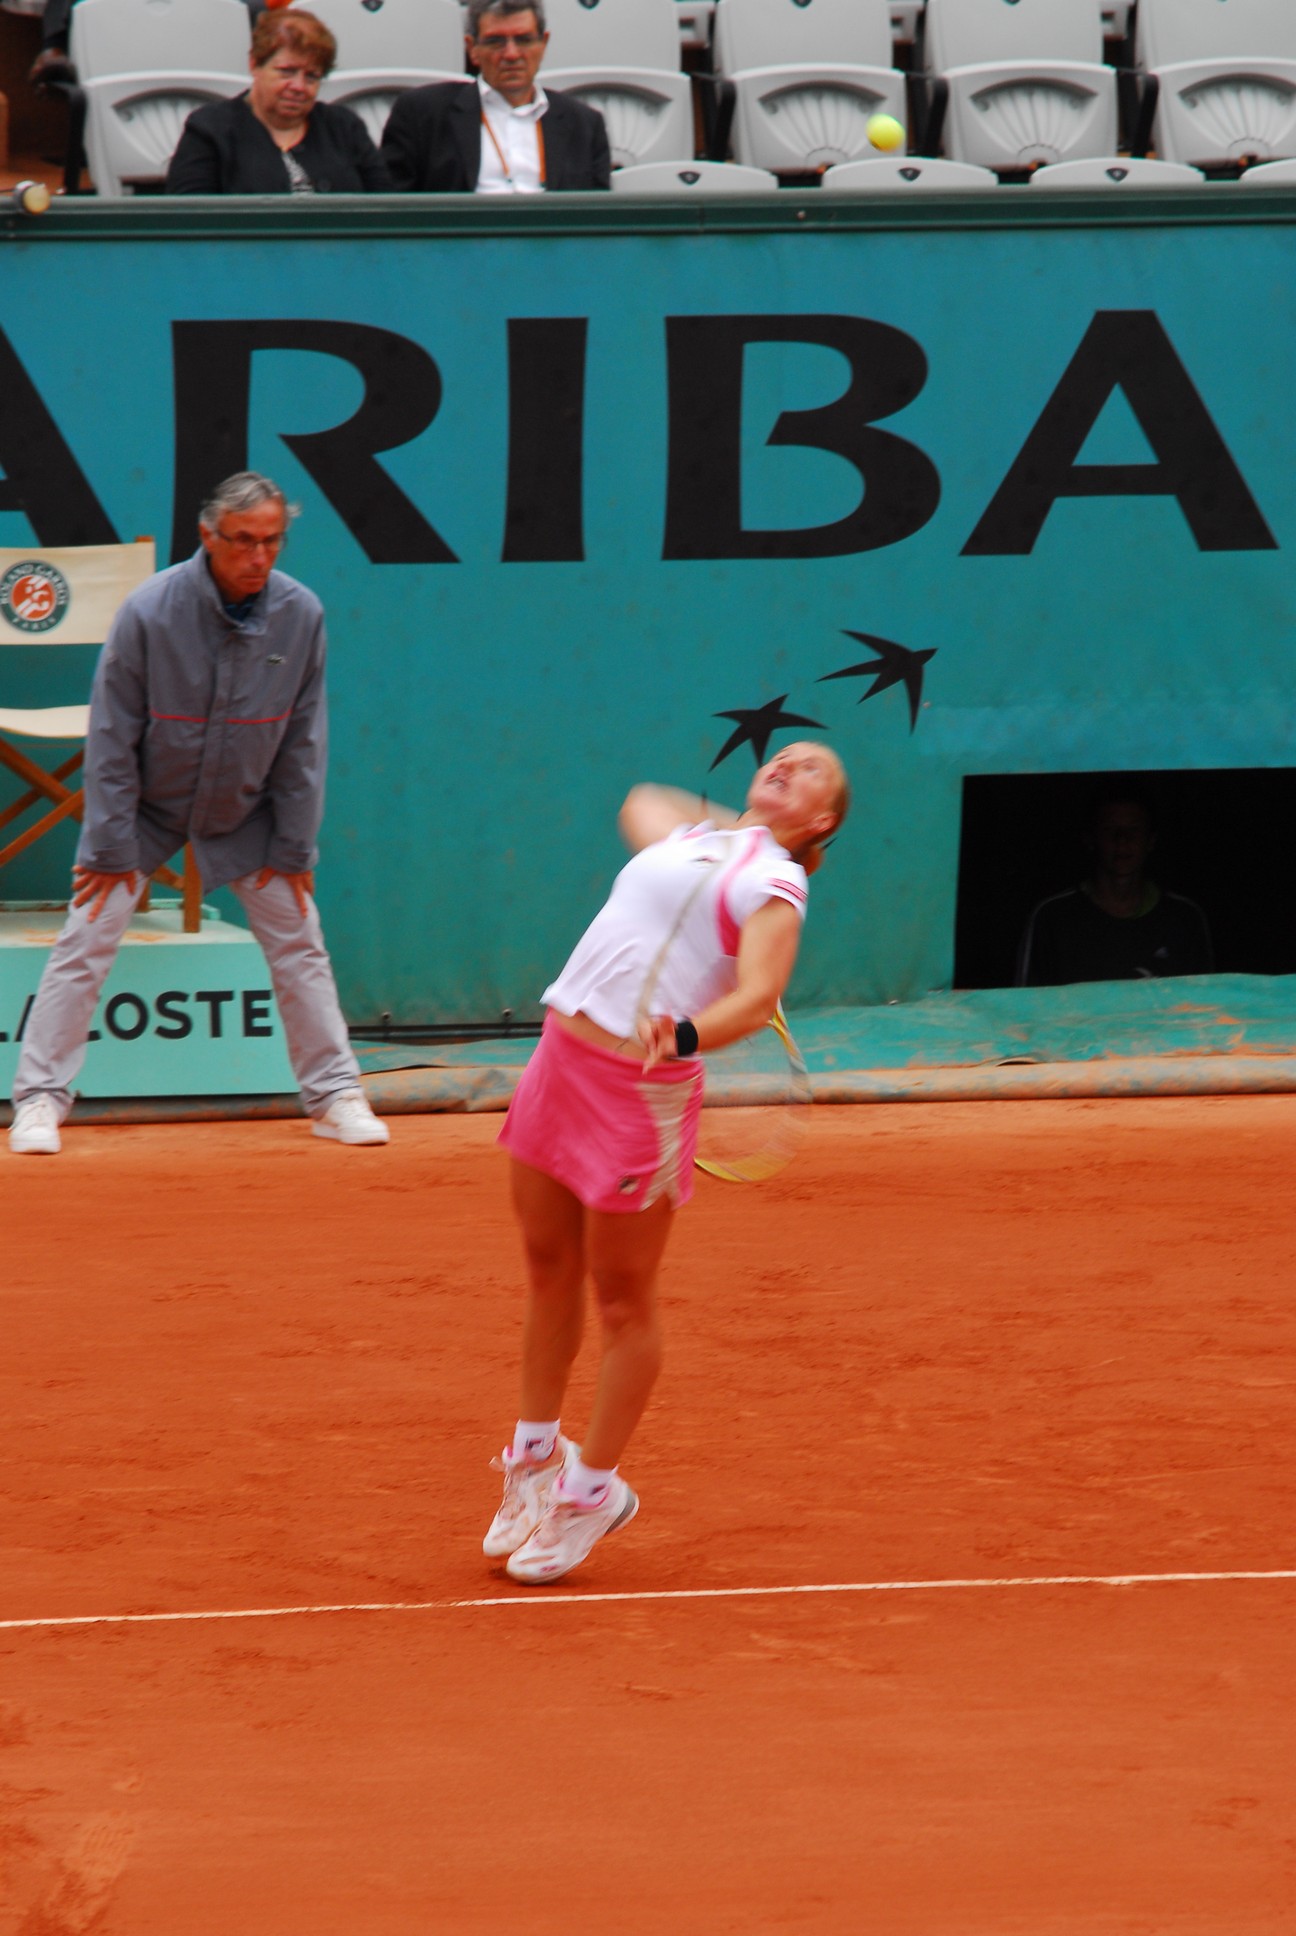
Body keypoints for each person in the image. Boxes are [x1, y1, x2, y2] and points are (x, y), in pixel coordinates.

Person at [483, 742, 849, 1585]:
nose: (789, 762)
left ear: (823, 820)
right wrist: (754, 825)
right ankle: (534, 1462)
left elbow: (756, 998)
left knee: (620, 1297)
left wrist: (684, 1034)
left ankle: (591, 1492)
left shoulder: (777, 887)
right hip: (559, 1060)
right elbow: (642, 796)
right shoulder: (694, 840)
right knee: (546, 1266)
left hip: (635, 1092)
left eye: (812, 770)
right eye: (782, 757)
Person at [8, 471, 388, 1156]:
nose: (259, 557)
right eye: (243, 541)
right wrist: (107, 845)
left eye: (272, 541)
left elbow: (304, 740)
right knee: (85, 941)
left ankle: (335, 1095)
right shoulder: (149, 611)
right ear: (208, 536)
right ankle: (38, 1099)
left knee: (301, 943)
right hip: (147, 812)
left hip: (247, 814)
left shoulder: (302, 614)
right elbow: (112, 737)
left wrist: (294, 847)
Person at [380, 0, 611, 195]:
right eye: (495, 42)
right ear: (472, 48)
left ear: (544, 43)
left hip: (553, 246)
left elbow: (599, 221)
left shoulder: (585, 124)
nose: (511, 54)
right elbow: (393, 212)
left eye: (524, 39)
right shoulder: (421, 113)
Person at [166, 9, 392, 196]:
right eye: (287, 72)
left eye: (311, 76)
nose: (299, 86)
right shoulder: (209, 129)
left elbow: (384, 209)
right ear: (254, 64)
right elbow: (190, 218)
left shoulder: (344, 126)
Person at [1016, 784, 1214, 986]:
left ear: (1150, 840)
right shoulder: (1052, 917)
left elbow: (1205, 1005)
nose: (1122, 841)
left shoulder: (1184, 918)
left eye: (1134, 830)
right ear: (1091, 839)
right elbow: (1024, 1006)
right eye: (1110, 830)